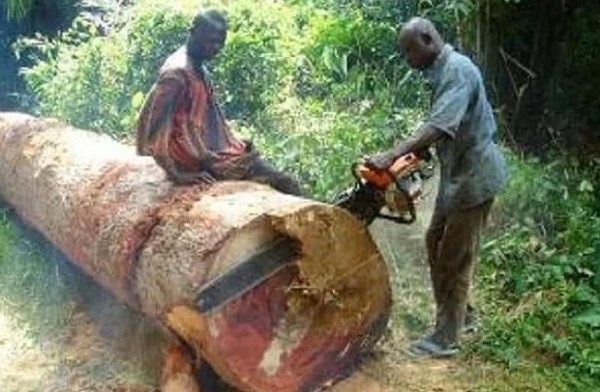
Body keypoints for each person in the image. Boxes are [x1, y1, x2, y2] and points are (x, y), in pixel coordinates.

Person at [367, 17, 508, 357]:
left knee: (454, 257)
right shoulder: (444, 73)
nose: (407, 59)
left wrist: (393, 154)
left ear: (428, 39)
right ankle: (464, 315)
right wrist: (411, 155)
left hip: (474, 178)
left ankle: (446, 338)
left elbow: (439, 127)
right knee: (435, 242)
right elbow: (444, 127)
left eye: (408, 51)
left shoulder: (457, 70)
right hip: (457, 177)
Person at [136, 10, 303, 196]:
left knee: (273, 175)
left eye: (220, 43)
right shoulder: (177, 72)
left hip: (204, 151)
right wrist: (177, 174)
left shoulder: (196, 64)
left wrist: (229, 141)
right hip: (196, 158)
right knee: (286, 183)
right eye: (211, 41)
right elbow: (156, 127)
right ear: (193, 32)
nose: (216, 47)